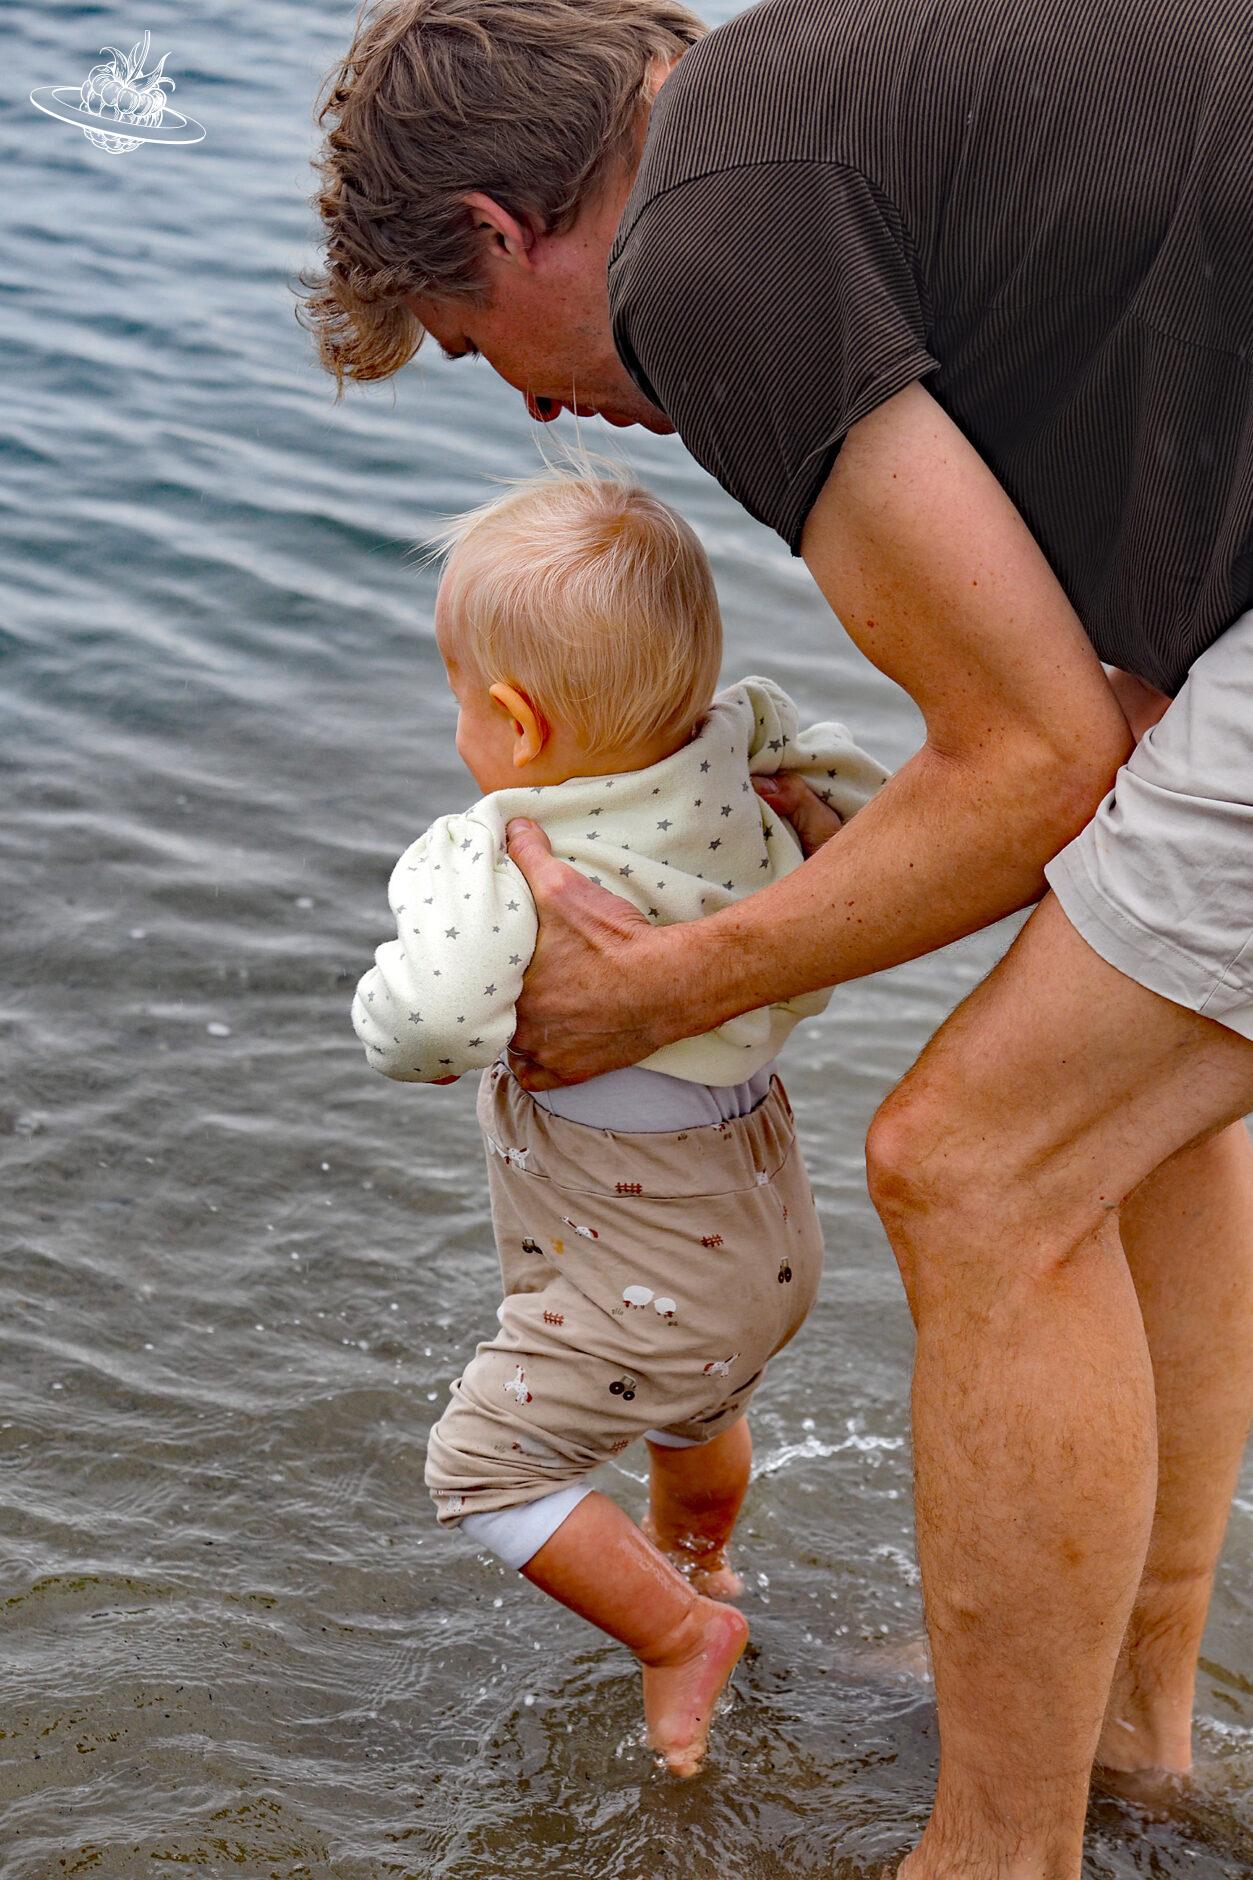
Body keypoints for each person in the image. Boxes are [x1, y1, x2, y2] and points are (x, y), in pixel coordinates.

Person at [306, 3, 1253, 1871]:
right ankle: (1129, 1728)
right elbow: (1103, 719)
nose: (530, 405)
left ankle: (993, 1854)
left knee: (977, 1165)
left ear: (504, 231)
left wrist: (667, 981)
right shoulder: (823, 109)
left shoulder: (711, 244)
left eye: (471, 341)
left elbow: (1034, 764)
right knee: (1131, 1103)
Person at [352, 469, 888, 1774]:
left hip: (639, 1252)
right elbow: (870, 838)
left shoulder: (493, 849)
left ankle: (675, 1634)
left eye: (455, 701)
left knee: (484, 1471)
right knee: (689, 1411)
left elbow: (424, 1028)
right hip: (757, 1237)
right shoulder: (751, 767)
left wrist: (379, 1004)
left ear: (515, 723)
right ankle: (698, 1559)